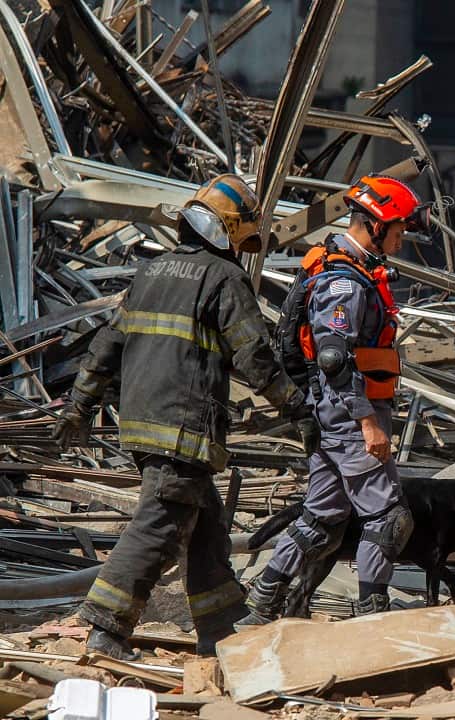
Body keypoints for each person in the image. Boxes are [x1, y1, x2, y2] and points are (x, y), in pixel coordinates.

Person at [52, 174, 318, 659]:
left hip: (140, 420)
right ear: (233, 230)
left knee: (207, 524)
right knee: (160, 524)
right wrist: (298, 407)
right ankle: (105, 627)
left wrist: (78, 407)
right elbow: (254, 355)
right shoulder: (224, 277)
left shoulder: (151, 273)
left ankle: (223, 626)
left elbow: (106, 344)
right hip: (183, 426)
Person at [239, 175, 428, 622]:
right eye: (399, 228)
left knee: (322, 517)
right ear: (375, 225)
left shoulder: (353, 269)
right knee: (386, 518)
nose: (403, 236)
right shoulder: (344, 281)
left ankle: (261, 604)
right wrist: (367, 421)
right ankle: (371, 616)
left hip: (337, 413)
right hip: (349, 414)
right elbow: (333, 357)